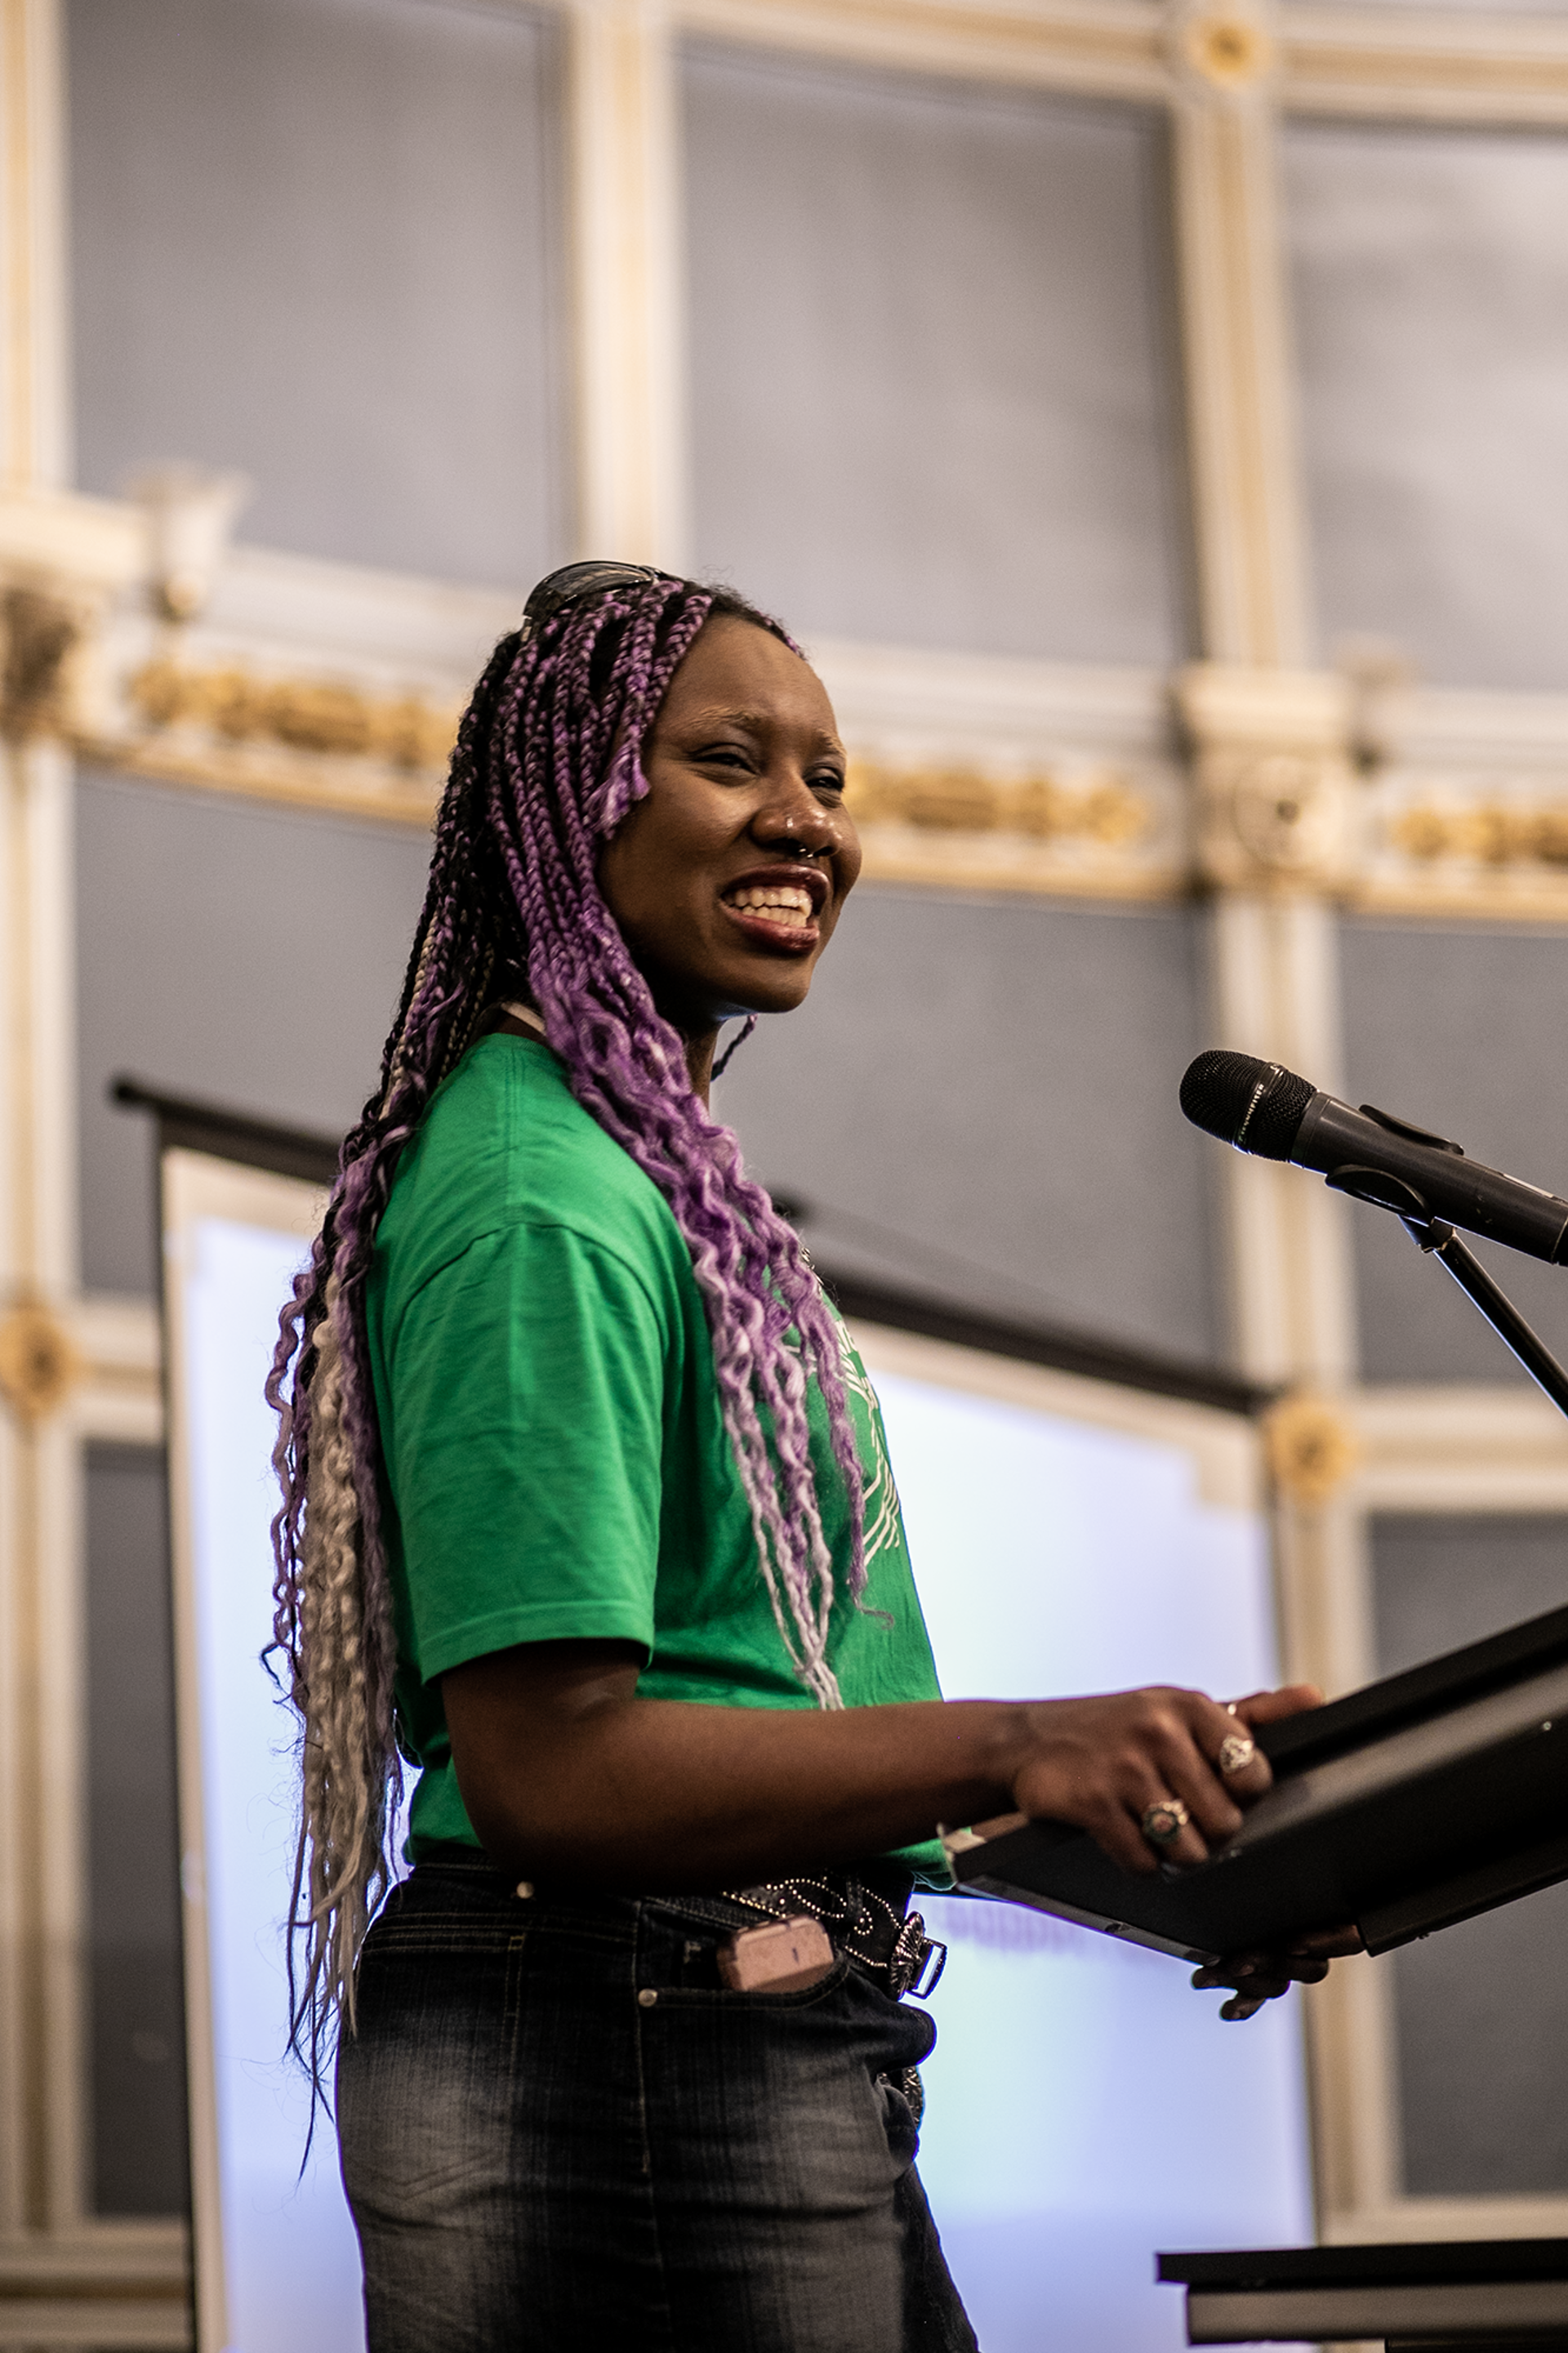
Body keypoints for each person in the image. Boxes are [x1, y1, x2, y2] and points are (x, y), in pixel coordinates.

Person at [269, 562, 1334, 2353]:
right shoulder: (540, 1192)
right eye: (728, 761)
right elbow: (551, 1769)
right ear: (571, 803)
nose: (805, 822)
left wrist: (1155, 1805)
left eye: (829, 779)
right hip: (627, 2028)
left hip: (709, 2017)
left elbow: (759, 1714)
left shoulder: (636, 1171)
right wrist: (1017, 1737)